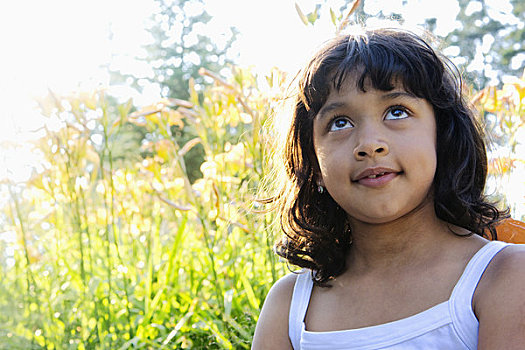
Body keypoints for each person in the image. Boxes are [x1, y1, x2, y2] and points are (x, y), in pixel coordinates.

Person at [251, 28, 525, 349]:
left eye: (397, 112)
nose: (369, 145)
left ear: (443, 136)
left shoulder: (504, 276)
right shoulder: (289, 307)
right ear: (313, 165)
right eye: (340, 122)